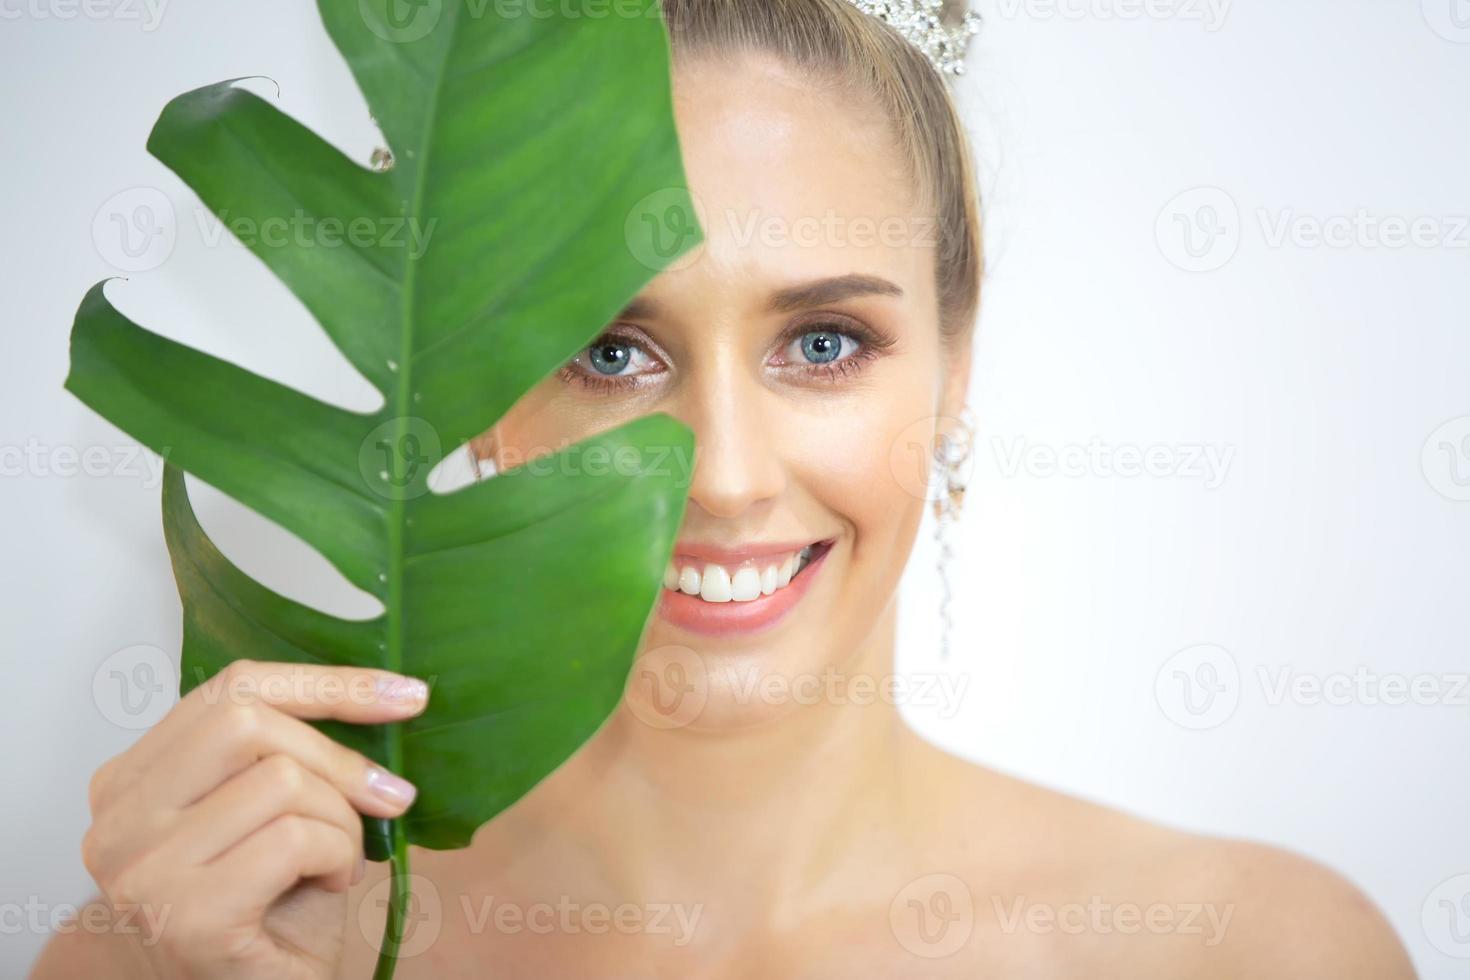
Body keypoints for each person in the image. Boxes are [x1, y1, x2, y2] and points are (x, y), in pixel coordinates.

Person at [34, 0, 1416, 976]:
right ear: (471, 392)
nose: (731, 477)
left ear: (953, 360)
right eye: (611, 352)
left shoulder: (1255, 952)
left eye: (823, 344)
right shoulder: (209, 943)